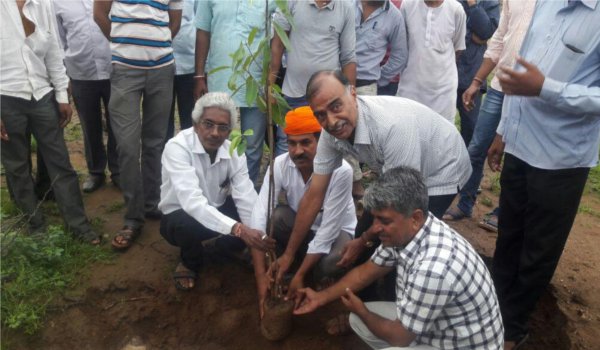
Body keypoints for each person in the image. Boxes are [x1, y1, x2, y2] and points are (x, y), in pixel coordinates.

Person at [273, 70, 471, 284]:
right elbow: (314, 196)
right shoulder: (331, 134)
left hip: (441, 169)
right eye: (321, 114)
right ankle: (361, 291)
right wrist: (289, 254)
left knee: (405, 241)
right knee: (365, 232)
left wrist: (363, 241)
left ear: (353, 93)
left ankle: (396, 298)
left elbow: (400, 202)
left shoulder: (392, 126)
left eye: (336, 106)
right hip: (399, 170)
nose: (331, 121)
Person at [487, 2, 600, 348]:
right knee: (509, 235)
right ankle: (492, 311)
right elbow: (521, 67)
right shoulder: (546, 3)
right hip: (520, 142)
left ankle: (514, 328)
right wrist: (503, 131)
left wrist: (545, 88)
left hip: (561, 156)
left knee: (538, 250)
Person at [293, 166, 504, 349]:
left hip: (462, 346)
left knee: (376, 330)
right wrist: (320, 298)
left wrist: (363, 310)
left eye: (383, 220)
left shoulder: (433, 269)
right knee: (358, 321)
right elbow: (364, 273)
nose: (375, 228)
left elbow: (399, 338)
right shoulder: (409, 232)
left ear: (415, 218)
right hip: (442, 331)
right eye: (374, 218)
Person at [1, 0, 99, 243]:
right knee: (17, 167)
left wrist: (61, 96)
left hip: (41, 94)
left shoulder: (41, 4)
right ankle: (35, 227)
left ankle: (79, 226)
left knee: (60, 163)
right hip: (5, 96)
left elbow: (54, 49)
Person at [158, 92, 276, 291]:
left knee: (257, 204)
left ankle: (223, 248)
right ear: (195, 125)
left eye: (223, 127)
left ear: (230, 131)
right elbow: (192, 203)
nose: (215, 133)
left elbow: (246, 198)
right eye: (208, 124)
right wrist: (239, 229)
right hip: (180, 215)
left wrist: (259, 239)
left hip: (216, 209)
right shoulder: (177, 148)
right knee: (187, 225)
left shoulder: (233, 151)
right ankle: (190, 260)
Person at [250, 106, 357, 317]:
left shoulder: (341, 171)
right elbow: (260, 211)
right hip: (301, 228)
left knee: (333, 260)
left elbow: (327, 231)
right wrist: (260, 275)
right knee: (278, 217)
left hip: (336, 233)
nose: (297, 151)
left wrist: (300, 274)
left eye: (306, 142)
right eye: (292, 143)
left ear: (321, 142)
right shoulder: (280, 165)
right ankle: (291, 268)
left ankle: (311, 276)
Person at [94, 0, 182, 250]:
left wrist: (157, 47)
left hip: (162, 70)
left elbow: (174, 22)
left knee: (155, 143)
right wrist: (122, 44)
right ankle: (133, 217)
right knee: (128, 147)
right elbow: (99, 14)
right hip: (124, 71)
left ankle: (152, 204)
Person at [443, 0, 537, 233]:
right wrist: (477, 81)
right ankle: (465, 203)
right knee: (477, 148)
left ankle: (503, 213)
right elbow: (497, 41)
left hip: (528, 90)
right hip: (498, 86)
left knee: (516, 155)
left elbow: (484, 34)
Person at [193, 0, 275, 185]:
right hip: (220, 80)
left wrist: (271, 79)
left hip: (256, 83)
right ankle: (216, 193)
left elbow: (279, 35)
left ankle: (248, 193)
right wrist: (199, 75)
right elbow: (203, 31)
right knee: (218, 141)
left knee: (253, 146)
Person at [53, 0, 119, 193]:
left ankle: (118, 171)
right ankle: (96, 171)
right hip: (81, 71)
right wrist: (65, 74)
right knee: (89, 125)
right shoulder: (58, 3)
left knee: (117, 122)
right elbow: (60, 39)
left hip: (114, 69)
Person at [395, 0, 466, 123]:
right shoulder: (407, 5)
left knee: (440, 137)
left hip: (443, 92)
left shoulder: (456, 10)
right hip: (410, 88)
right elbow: (403, 44)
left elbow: (457, 49)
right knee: (408, 134)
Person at [455, 0, 500, 146]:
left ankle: (466, 166)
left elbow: (487, 31)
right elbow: (446, 28)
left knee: (471, 127)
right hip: (446, 71)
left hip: (472, 75)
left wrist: (473, 4)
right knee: (440, 121)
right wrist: (470, 34)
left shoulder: (490, 2)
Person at [355, 0, 407, 96]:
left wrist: (377, 79)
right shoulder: (346, 5)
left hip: (365, 87)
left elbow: (400, 56)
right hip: (335, 79)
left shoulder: (394, 16)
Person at [166, 0, 198, 142]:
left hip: (189, 64)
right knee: (163, 122)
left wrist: (203, 70)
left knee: (190, 121)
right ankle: (164, 160)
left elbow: (201, 23)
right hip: (161, 64)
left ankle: (191, 159)